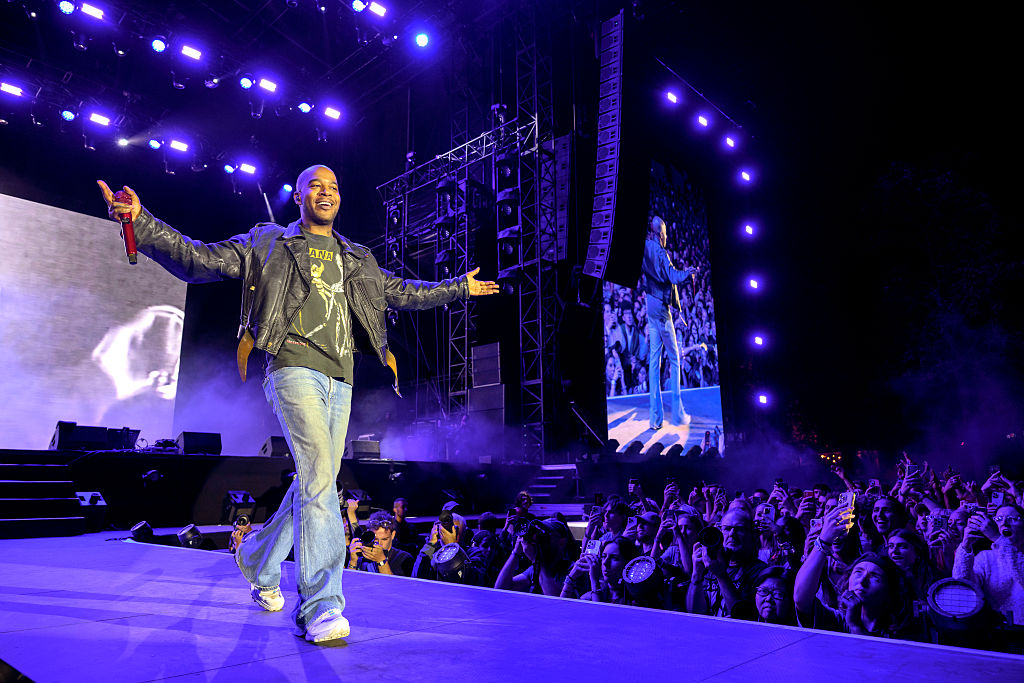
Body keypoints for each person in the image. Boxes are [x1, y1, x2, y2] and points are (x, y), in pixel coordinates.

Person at [96, 167, 498, 643]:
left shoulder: (359, 259)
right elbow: (198, 259)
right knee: (322, 486)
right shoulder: (266, 243)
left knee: (316, 480)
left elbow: (405, 292)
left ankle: (258, 560)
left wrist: (459, 287)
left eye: (333, 186)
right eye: (316, 185)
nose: (326, 191)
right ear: (299, 196)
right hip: (291, 368)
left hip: (341, 379)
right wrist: (143, 223)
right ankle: (321, 607)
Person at [641, 215, 697, 430]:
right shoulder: (661, 252)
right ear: (659, 232)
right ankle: (678, 415)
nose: (665, 236)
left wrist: (678, 308)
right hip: (662, 311)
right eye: (663, 232)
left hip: (650, 305)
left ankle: (655, 419)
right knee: (675, 358)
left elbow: (665, 280)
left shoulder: (645, 247)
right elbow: (673, 276)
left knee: (655, 361)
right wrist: (688, 273)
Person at [347, 511, 414, 576]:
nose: (379, 544)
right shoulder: (363, 555)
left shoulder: (404, 558)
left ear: (393, 535)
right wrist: (353, 561)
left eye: (384, 539)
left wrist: (381, 560)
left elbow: (394, 586)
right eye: (375, 539)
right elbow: (350, 584)